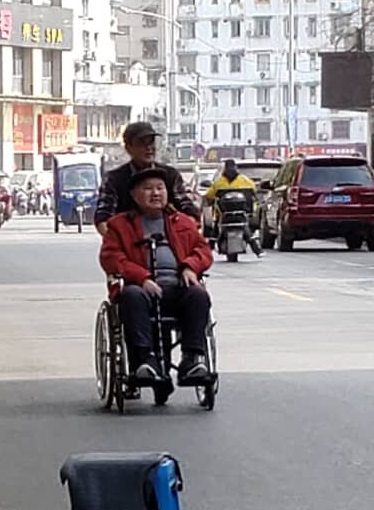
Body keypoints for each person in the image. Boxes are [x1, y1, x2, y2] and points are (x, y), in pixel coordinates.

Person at [100, 168, 214, 383]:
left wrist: (190, 267)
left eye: (160, 188)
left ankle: (191, 359)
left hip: (177, 285)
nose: (155, 193)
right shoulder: (119, 225)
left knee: (198, 295)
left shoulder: (183, 222)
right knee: (131, 296)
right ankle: (146, 360)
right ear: (134, 195)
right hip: (140, 288)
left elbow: (203, 251)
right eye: (148, 189)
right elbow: (111, 257)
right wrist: (142, 277)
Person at [94, 122, 200, 237]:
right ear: (128, 148)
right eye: (141, 143)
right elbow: (103, 217)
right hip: (129, 243)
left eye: (151, 142)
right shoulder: (114, 179)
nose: (149, 148)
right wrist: (117, 241)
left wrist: (182, 234)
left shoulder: (170, 175)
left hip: (170, 241)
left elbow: (189, 210)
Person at [203, 159, 263, 256]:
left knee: (215, 229)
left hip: (223, 214)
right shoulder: (246, 181)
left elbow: (209, 196)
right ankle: (257, 250)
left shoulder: (218, 182)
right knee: (248, 230)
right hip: (243, 213)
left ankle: (210, 248)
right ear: (236, 168)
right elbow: (254, 193)